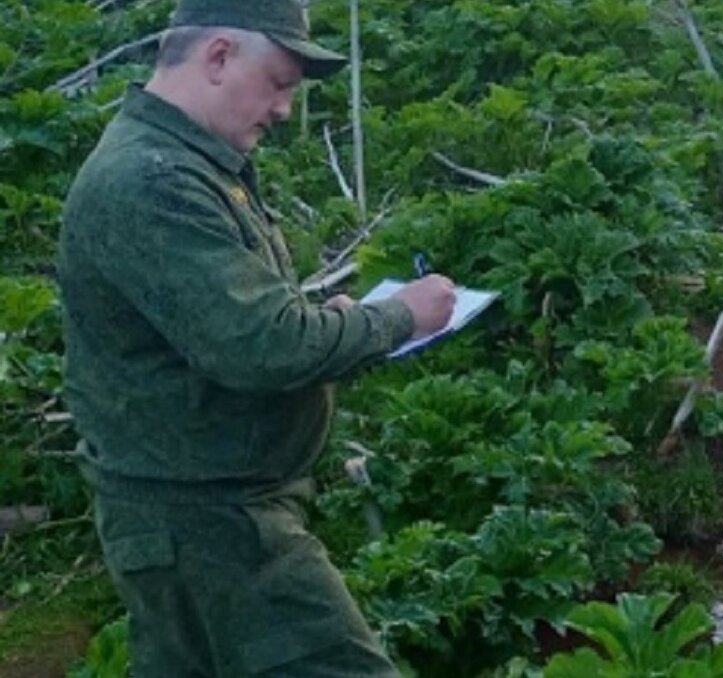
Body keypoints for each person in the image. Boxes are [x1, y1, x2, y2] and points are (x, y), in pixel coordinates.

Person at [56, 0, 455, 675]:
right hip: (212, 526)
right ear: (218, 56)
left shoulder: (184, 162)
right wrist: (397, 319)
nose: (283, 109)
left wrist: (322, 319)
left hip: (200, 518)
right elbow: (260, 345)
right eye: (279, 82)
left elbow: (230, 321)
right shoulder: (152, 180)